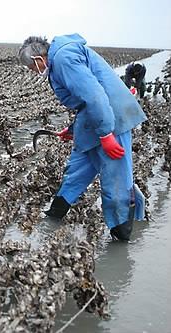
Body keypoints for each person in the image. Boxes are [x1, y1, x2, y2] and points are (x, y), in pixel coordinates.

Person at [18, 34, 146, 241]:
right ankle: (53, 218)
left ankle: (121, 240)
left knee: (116, 182)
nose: (35, 72)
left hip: (113, 119)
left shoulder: (63, 58)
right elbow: (84, 102)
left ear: (37, 59)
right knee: (75, 173)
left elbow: (95, 95)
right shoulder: (60, 59)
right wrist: (72, 129)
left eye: (33, 68)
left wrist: (105, 134)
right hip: (93, 120)